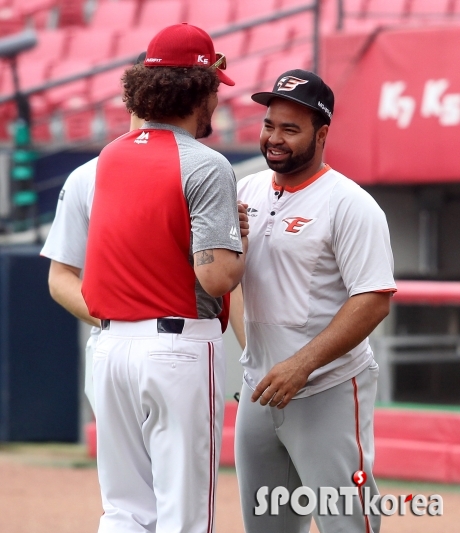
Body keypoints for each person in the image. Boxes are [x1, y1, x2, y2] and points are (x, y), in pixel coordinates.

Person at [81, 23, 247, 533]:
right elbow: (217, 278)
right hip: (177, 349)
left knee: (125, 511)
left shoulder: (111, 154)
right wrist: (241, 241)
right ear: (200, 89)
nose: (217, 101)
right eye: (215, 88)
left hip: (109, 349)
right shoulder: (206, 163)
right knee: (185, 514)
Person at [231, 69, 396, 533]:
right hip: (262, 393)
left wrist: (298, 365)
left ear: (322, 134)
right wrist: (259, 360)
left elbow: (373, 299)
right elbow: (237, 284)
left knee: (347, 525)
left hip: (328, 389)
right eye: (269, 125)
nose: (274, 139)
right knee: (265, 527)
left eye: (290, 129)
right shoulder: (245, 190)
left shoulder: (350, 203)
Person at [40, 54, 146, 412]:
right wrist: (116, 317)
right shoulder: (87, 175)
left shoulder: (203, 170)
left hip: (183, 340)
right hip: (110, 342)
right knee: (120, 469)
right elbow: (61, 276)